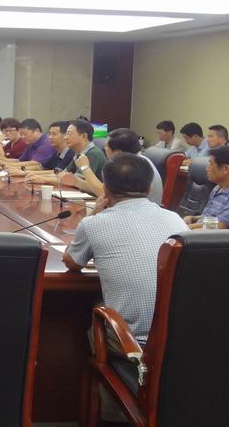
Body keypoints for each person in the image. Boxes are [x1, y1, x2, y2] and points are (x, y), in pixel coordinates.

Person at [63, 153, 187, 423]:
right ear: (150, 188)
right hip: (176, 335)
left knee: (98, 316)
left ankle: (115, 416)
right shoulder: (176, 220)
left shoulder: (95, 223)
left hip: (132, 343)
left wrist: (95, 213)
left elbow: (71, 262)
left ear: (106, 189)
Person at [69, 128, 163, 205]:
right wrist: (76, 181)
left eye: (106, 146)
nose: (104, 148)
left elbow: (106, 195)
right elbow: (103, 189)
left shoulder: (130, 168)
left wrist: (85, 168)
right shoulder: (137, 161)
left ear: (118, 152)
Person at [59, 119, 108, 191]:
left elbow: (72, 181)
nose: (65, 137)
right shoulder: (78, 153)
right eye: (66, 134)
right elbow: (63, 175)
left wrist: (44, 179)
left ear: (84, 136)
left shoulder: (93, 153)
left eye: (69, 134)